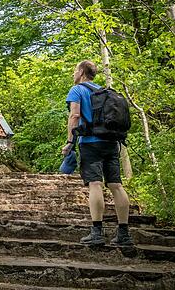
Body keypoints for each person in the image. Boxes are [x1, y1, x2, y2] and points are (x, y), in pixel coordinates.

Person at [61, 60, 134, 246]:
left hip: (90, 143)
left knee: (95, 184)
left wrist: (70, 142)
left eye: (74, 70)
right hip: (111, 142)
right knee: (116, 185)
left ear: (81, 72)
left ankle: (97, 233)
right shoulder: (105, 91)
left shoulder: (77, 90)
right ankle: (124, 234)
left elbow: (75, 115)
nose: (73, 74)